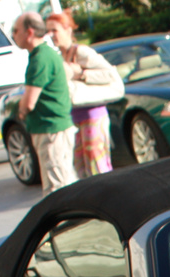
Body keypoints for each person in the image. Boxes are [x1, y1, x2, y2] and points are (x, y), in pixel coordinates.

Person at [45, 11, 115, 179]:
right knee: (80, 170)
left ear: (67, 30)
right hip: (73, 119)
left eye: (55, 30)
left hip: (93, 117)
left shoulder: (82, 52)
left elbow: (110, 75)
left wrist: (82, 73)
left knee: (98, 169)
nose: (51, 35)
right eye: (48, 31)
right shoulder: (58, 56)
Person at [11, 11, 75, 194]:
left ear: (29, 32)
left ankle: (69, 223)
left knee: (57, 189)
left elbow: (29, 101)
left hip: (51, 130)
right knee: (62, 181)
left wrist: (21, 110)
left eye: (15, 31)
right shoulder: (43, 54)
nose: (13, 35)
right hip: (53, 129)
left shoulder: (41, 58)